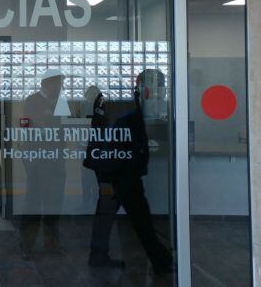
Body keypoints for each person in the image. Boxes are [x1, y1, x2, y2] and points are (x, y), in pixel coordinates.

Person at [84, 70, 174, 274]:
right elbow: (120, 135)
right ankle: (160, 260)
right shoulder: (123, 102)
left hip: (111, 166)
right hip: (120, 169)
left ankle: (98, 256)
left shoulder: (111, 99)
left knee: (108, 213)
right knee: (138, 216)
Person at [17, 70, 67, 259]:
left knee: (54, 202)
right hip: (38, 159)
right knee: (33, 202)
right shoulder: (32, 100)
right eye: (58, 83)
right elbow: (29, 127)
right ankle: (27, 244)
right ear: (47, 84)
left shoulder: (60, 101)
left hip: (56, 158)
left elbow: (62, 126)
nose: (60, 87)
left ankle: (52, 242)